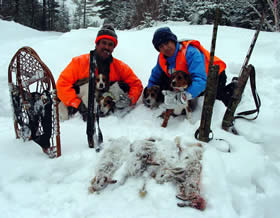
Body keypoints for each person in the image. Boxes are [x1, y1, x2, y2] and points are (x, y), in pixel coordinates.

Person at [56, 24, 143, 120]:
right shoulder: (79, 62)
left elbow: (136, 84)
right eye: (104, 43)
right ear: (97, 44)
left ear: (114, 47)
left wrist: (130, 99)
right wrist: (78, 104)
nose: (106, 47)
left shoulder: (119, 67)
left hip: (104, 111)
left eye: (110, 44)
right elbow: (62, 85)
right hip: (78, 109)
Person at [147, 27, 236, 109]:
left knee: (214, 100)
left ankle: (235, 85)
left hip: (214, 75)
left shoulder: (190, 52)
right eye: (161, 46)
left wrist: (184, 96)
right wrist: (150, 90)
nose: (165, 48)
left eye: (166, 43)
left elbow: (200, 80)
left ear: (173, 41)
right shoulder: (162, 57)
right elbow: (155, 75)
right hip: (188, 78)